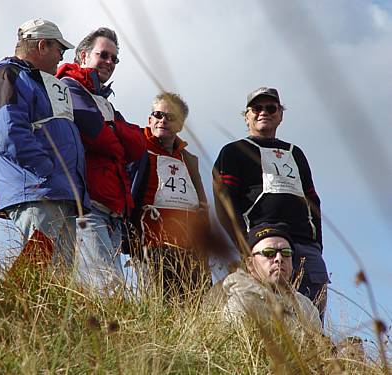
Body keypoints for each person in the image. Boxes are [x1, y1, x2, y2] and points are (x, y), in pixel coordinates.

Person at [0, 19, 90, 270]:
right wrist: (46, 169)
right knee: (36, 269)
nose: (61, 58)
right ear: (42, 45)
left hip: (57, 190)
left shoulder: (40, 83)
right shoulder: (7, 75)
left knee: (58, 280)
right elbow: (7, 132)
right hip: (38, 189)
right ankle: (9, 309)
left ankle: (33, 310)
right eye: (59, 51)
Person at [213, 87, 329, 318]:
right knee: (263, 312)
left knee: (310, 315)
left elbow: (312, 199)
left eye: (271, 108)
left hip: (304, 246)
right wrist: (244, 245)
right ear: (246, 116)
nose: (263, 112)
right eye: (256, 108)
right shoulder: (234, 151)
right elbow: (224, 200)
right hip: (262, 244)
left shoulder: (296, 153)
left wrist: (316, 242)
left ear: (280, 115)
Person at [55, 28, 146, 290]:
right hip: (89, 204)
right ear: (83, 56)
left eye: (114, 58)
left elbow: (137, 144)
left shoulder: (102, 99)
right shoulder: (69, 87)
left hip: (113, 209)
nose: (109, 62)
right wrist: (117, 135)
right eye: (103, 55)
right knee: (108, 286)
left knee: (108, 285)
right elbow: (98, 136)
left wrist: (114, 132)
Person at [129, 92, 210, 297]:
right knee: (159, 309)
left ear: (180, 126)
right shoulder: (136, 147)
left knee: (198, 310)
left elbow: (202, 205)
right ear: (150, 119)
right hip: (152, 245)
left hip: (191, 251)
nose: (163, 120)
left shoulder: (189, 159)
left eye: (171, 117)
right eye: (158, 114)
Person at [207, 223, 322, 332]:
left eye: (286, 252)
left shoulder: (307, 307)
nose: (279, 258)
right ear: (250, 263)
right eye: (269, 252)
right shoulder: (240, 301)